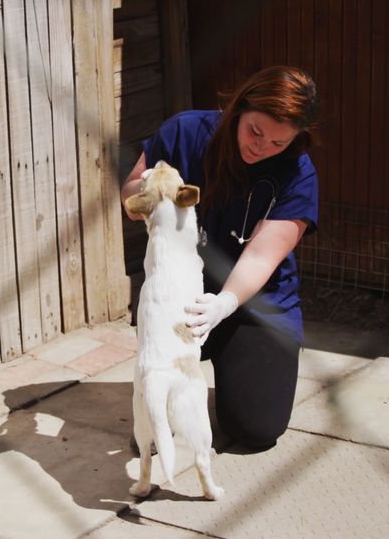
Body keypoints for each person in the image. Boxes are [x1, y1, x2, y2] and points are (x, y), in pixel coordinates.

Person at [121, 65, 319, 451]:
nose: (261, 147)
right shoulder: (186, 131)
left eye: (278, 143)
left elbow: (262, 256)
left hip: (253, 304)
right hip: (182, 294)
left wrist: (225, 303)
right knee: (153, 432)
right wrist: (147, 194)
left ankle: (232, 364)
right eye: (255, 131)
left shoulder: (298, 173)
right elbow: (129, 191)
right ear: (239, 109)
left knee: (256, 429)